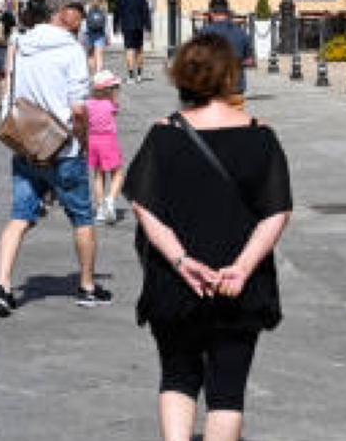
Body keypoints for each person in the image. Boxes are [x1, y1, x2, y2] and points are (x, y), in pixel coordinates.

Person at [123, 33, 292, 441]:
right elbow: (277, 211)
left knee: (177, 377)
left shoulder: (163, 135)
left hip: (177, 281)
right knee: (227, 393)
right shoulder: (260, 135)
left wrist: (181, 260)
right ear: (229, 76)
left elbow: (143, 205)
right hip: (239, 285)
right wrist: (241, 267)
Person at [0, 0, 112, 316]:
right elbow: (78, 108)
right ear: (62, 13)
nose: (83, 17)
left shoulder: (22, 44)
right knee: (83, 218)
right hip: (63, 146)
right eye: (78, 10)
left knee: (19, 216)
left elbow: (15, 86)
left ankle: (3, 285)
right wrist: (83, 140)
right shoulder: (71, 51)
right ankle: (87, 286)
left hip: (27, 142)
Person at [195, 0, 255, 94]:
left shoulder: (204, 33)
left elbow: (197, 60)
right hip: (235, 88)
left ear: (211, 13)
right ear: (227, 13)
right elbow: (250, 61)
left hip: (212, 90)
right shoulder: (241, 32)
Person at [88, 69, 125, 225]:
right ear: (108, 90)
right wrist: (114, 96)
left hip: (92, 141)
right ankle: (110, 200)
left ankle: (101, 210)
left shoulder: (87, 104)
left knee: (98, 175)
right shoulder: (111, 104)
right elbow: (115, 110)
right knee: (118, 172)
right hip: (108, 141)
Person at [116, 0, 153, 83]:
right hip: (138, 27)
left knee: (129, 50)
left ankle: (131, 76)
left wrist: (116, 26)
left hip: (127, 27)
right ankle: (140, 74)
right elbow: (146, 13)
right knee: (139, 50)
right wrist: (148, 27)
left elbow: (117, 12)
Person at [82, 0, 111, 74]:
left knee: (91, 55)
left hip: (89, 33)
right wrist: (108, 36)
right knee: (99, 56)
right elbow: (106, 24)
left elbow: (84, 22)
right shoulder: (103, 8)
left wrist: (83, 35)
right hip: (100, 34)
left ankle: (93, 73)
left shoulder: (87, 8)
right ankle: (99, 73)